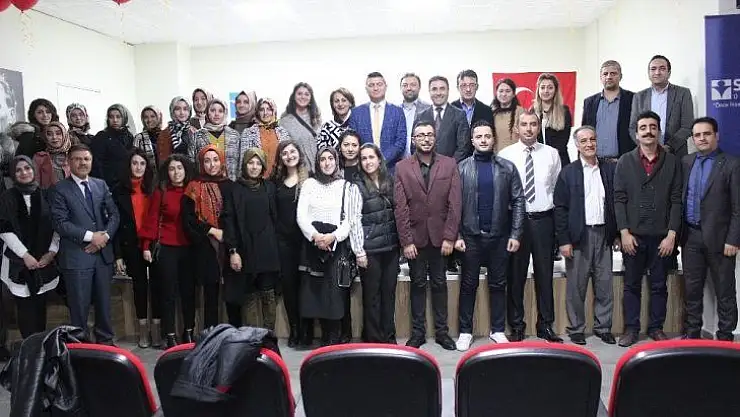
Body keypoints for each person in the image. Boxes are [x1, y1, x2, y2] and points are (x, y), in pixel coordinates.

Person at [455, 120, 524, 351]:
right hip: (470, 237)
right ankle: (465, 331)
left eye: (487, 136)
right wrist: (457, 235)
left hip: (500, 236)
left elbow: (518, 200)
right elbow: (453, 206)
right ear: (472, 140)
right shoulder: (461, 168)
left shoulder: (507, 167)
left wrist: (515, 233)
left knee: (498, 284)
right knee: (468, 285)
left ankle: (497, 330)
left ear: (493, 139)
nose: (483, 140)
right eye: (479, 137)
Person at [615, 110, 682, 347]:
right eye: (643, 128)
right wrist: (624, 232)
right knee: (631, 285)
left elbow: (676, 200)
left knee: (659, 286)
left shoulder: (672, 162)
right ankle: (631, 329)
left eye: (653, 127)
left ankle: (656, 328)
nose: (648, 131)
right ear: (636, 134)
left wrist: (672, 235)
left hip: (662, 238)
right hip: (633, 237)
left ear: (659, 131)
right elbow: (619, 199)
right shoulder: (625, 161)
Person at [394, 121, 461, 350]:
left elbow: (455, 204)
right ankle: (418, 333)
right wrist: (406, 241)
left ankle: (442, 333)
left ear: (435, 138)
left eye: (430, 134)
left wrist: (450, 237)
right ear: (413, 140)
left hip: (441, 239)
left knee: (440, 284)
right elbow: (400, 207)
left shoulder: (449, 164)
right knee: (418, 284)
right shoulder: (402, 167)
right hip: (415, 239)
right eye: (421, 135)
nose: (426, 139)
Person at [498, 109, 562, 342]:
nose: (528, 128)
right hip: (517, 222)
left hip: (544, 220)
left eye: (533, 124)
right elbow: (503, 191)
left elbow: (555, 188)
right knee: (516, 276)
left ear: (538, 126)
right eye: (524, 124)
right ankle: (516, 326)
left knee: (545, 275)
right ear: (517, 128)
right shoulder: (505, 155)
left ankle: (545, 325)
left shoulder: (552, 154)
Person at [49, 144, 120, 344]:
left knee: (104, 305)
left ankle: (106, 343)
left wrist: (104, 237)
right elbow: (60, 223)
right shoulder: (59, 189)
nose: (83, 163)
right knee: (79, 308)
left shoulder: (100, 185)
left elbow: (114, 215)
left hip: (102, 256)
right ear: (69, 162)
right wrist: (91, 237)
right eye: (78, 159)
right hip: (77, 257)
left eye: (86, 159)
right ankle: (81, 348)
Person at [554, 126, 618, 345]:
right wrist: (564, 240)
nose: (589, 144)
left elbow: (615, 203)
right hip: (578, 237)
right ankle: (576, 328)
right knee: (576, 287)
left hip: (604, 234)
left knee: (605, 285)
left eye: (592, 139)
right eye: (584, 141)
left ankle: (603, 327)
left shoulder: (608, 170)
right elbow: (560, 209)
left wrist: (616, 233)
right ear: (577, 145)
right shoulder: (568, 172)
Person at [296, 146, 363, 346]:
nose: (327, 163)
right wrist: (316, 237)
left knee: (334, 295)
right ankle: (323, 337)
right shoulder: (309, 184)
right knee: (315, 294)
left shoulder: (345, 186)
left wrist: (333, 237)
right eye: (323, 159)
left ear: (336, 161)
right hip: (313, 245)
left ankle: (335, 338)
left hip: (336, 246)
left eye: (330, 158)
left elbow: (350, 219)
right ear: (318, 162)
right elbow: (301, 215)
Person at [680, 117, 739, 341]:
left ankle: (725, 336)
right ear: (693, 139)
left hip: (721, 239)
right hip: (691, 237)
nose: (702, 138)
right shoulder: (686, 162)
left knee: (725, 291)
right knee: (692, 290)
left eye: (707, 134)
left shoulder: (731, 164)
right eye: (697, 135)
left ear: (717, 136)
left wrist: (734, 239)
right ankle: (692, 334)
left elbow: (738, 207)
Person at [0, 156, 60, 339]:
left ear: (34, 170)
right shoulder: (7, 197)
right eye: (18, 170)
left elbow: (56, 227)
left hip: (43, 261)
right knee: (25, 310)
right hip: (18, 262)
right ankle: (29, 348)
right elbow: (5, 229)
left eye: (27, 168)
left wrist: (51, 252)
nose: (24, 172)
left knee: (40, 308)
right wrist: (25, 255)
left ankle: (40, 349)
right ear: (13, 174)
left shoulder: (46, 195)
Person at [140, 154, 194, 348]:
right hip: (166, 247)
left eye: (179, 168)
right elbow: (152, 219)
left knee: (188, 292)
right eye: (172, 169)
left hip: (189, 248)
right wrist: (146, 245)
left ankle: (189, 332)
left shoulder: (193, 190)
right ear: (167, 172)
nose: (176, 172)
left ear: (185, 170)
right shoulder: (161, 192)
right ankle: (170, 334)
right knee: (168, 293)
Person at [222, 148, 280, 330]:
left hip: (267, 249)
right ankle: (252, 337)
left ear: (263, 166)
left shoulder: (270, 187)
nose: (254, 167)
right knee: (249, 296)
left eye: (258, 163)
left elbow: (276, 218)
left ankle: (269, 336)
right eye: (250, 163)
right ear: (244, 165)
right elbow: (229, 221)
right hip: (245, 250)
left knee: (268, 294)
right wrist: (233, 251)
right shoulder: (234, 189)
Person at [112, 149, 159, 348]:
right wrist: (118, 255)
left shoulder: (154, 188)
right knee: (139, 287)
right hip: (131, 245)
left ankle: (156, 329)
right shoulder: (118, 190)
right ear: (128, 166)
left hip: (154, 244)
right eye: (135, 163)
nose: (138, 167)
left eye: (142, 163)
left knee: (157, 286)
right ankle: (143, 330)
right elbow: (114, 225)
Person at [182, 145, 230, 332]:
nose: (212, 165)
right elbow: (188, 219)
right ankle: (210, 334)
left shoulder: (230, 185)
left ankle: (231, 335)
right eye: (207, 161)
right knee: (210, 293)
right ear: (201, 163)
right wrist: (211, 230)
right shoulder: (193, 187)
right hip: (205, 245)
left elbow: (234, 214)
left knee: (231, 295)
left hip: (228, 244)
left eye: (216, 160)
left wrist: (226, 234)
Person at [356, 143, 398, 343]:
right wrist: (359, 251)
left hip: (391, 248)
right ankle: (373, 339)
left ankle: (389, 337)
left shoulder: (390, 180)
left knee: (388, 294)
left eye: (371, 157)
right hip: (370, 249)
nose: (368, 162)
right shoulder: (357, 185)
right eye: (363, 158)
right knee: (371, 296)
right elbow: (354, 221)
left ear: (379, 159)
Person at [272, 139, 310, 347]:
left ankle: (307, 330)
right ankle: (295, 329)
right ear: (280, 158)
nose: (289, 156)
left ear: (299, 154)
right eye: (285, 153)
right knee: (289, 288)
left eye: (292, 151)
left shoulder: (309, 180)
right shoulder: (276, 183)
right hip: (283, 243)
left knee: (305, 288)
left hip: (305, 242)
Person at [629, 55, 694, 157]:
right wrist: (647, 146)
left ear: (669, 72)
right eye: (653, 69)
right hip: (647, 155)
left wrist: (668, 147)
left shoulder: (683, 93)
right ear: (648, 73)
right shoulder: (639, 97)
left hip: (675, 154)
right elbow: (633, 127)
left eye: (662, 68)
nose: (657, 72)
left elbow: (687, 126)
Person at [348, 72, 407, 172]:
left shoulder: (397, 111)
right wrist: (369, 160)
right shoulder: (356, 113)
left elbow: (400, 142)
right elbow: (353, 142)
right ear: (366, 89)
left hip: (391, 169)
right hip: (364, 170)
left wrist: (381, 160)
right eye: (371, 85)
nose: (375, 88)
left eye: (379, 84)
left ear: (385, 87)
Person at [581, 60, 635, 160]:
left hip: (623, 161)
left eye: (613, 73)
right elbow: (583, 132)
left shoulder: (633, 99)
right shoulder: (589, 102)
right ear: (601, 77)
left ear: (620, 76)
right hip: (595, 161)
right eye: (605, 74)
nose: (609, 77)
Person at [414, 75, 471, 162]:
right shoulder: (420, 116)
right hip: (424, 167)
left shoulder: (459, 115)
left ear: (448, 91)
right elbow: (415, 145)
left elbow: (463, 147)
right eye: (434, 89)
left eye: (442, 88)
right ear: (429, 91)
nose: (438, 93)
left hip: (452, 167)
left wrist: (448, 166)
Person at [191, 99, 244, 181]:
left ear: (225, 113)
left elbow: (240, 162)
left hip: (230, 182)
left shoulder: (234, 135)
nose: (216, 114)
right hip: (205, 183)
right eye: (212, 110)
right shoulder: (197, 136)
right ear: (207, 113)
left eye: (220, 111)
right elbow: (192, 162)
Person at [242, 97, 291, 178]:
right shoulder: (248, 133)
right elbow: (243, 161)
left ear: (274, 111)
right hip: (257, 179)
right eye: (262, 109)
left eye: (269, 109)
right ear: (257, 112)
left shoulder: (283, 132)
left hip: (279, 179)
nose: (265, 113)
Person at [90, 104, 135, 190]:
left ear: (124, 118)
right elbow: (96, 164)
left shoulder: (129, 136)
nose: (115, 120)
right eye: (111, 117)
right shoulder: (101, 136)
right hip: (108, 185)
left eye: (118, 117)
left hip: (127, 184)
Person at [279, 82, 322, 170]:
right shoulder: (285, 122)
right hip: (299, 170)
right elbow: (284, 150)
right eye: (299, 94)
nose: (303, 97)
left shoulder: (317, 118)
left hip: (319, 168)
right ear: (294, 97)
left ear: (311, 98)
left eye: (306, 94)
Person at [533, 73, 572, 167]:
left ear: (555, 90)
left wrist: (548, 157)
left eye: (550, 88)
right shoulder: (532, 111)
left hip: (559, 160)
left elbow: (563, 141)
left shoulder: (564, 111)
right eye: (542, 87)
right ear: (538, 90)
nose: (546, 91)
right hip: (539, 161)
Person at [156, 96, 197, 166]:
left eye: (185, 109)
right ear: (172, 111)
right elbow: (163, 162)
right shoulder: (164, 134)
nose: (182, 112)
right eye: (178, 109)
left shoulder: (194, 131)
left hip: (191, 170)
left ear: (189, 112)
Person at [400, 73, 431, 157]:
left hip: (422, 159)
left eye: (413, 85)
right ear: (401, 88)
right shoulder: (394, 110)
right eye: (405, 85)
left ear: (419, 87)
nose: (409, 88)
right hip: (397, 160)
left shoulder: (428, 109)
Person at [490, 78, 525, 152]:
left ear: (513, 94)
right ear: (496, 93)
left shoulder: (521, 112)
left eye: (508, 91)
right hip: (496, 155)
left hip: (516, 155)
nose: (504, 94)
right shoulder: (491, 113)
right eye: (501, 91)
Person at [33, 122, 71, 188]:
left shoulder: (73, 155)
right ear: (45, 137)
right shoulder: (39, 157)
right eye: (49, 134)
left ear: (64, 135)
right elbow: (35, 184)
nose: (54, 137)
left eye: (58, 133)